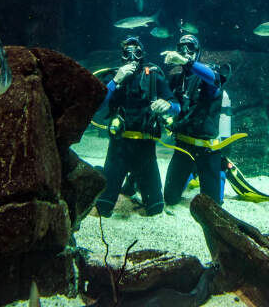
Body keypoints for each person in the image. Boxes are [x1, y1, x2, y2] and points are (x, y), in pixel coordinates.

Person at [93, 36, 180, 217]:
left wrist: (167, 105)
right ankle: (109, 176)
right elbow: (97, 105)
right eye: (127, 53)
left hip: (145, 149)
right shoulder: (114, 77)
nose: (132, 58)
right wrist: (115, 81)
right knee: (103, 208)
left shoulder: (154, 77)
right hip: (118, 148)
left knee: (155, 208)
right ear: (122, 56)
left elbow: (176, 106)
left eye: (137, 53)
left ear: (143, 55)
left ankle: (132, 181)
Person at [161, 34, 227, 206]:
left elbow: (214, 79)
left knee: (212, 205)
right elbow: (175, 105)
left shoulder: (208, 74)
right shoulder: (177, 80)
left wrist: (187, 62)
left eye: (190, 48)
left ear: (198, 52)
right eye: (181, 48)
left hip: (207, 149)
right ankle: (191, 174)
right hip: (183, 146)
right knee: (170, 198)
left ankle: (221, 173)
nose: (185, 51)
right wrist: (167, 110)